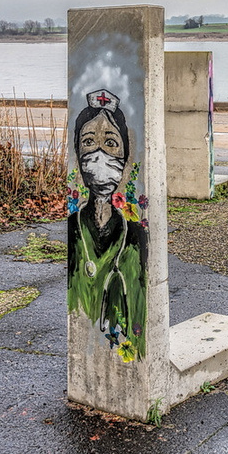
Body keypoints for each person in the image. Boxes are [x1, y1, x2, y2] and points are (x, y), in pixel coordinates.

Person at [67, 89, 148, 361]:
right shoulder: (74, 227)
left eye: (111, 143)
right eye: (89, 142)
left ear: (125, 158)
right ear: (78, 154)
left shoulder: (135, 234)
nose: (99, 153)